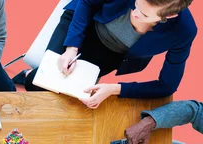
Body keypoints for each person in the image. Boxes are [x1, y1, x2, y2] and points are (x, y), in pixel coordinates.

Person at [14, 0, 197, 109]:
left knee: (68, 100)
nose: (135, 13)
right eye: (136, 4)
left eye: (144, 14)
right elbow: (86, 2)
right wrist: (72, 47)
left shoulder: (184, 31)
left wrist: (114, 89)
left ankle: (32, 75)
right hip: (84, 24)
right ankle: (30, 75)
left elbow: (167, 86)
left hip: (112, 55)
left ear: (169, 16)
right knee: (44, 83)